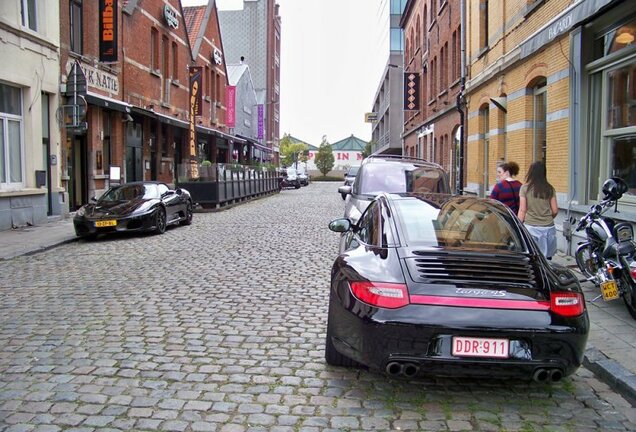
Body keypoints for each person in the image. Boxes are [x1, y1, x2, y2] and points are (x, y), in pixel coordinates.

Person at [518, 161, 558, 259]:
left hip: (531, 227)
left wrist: (518, 224)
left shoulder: (525, 188)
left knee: (533, 257)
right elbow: (555, 210)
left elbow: (522, 210)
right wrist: (547, 217)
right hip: (548, 228)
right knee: (547, 259)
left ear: (531, 172)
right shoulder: (550, 188)